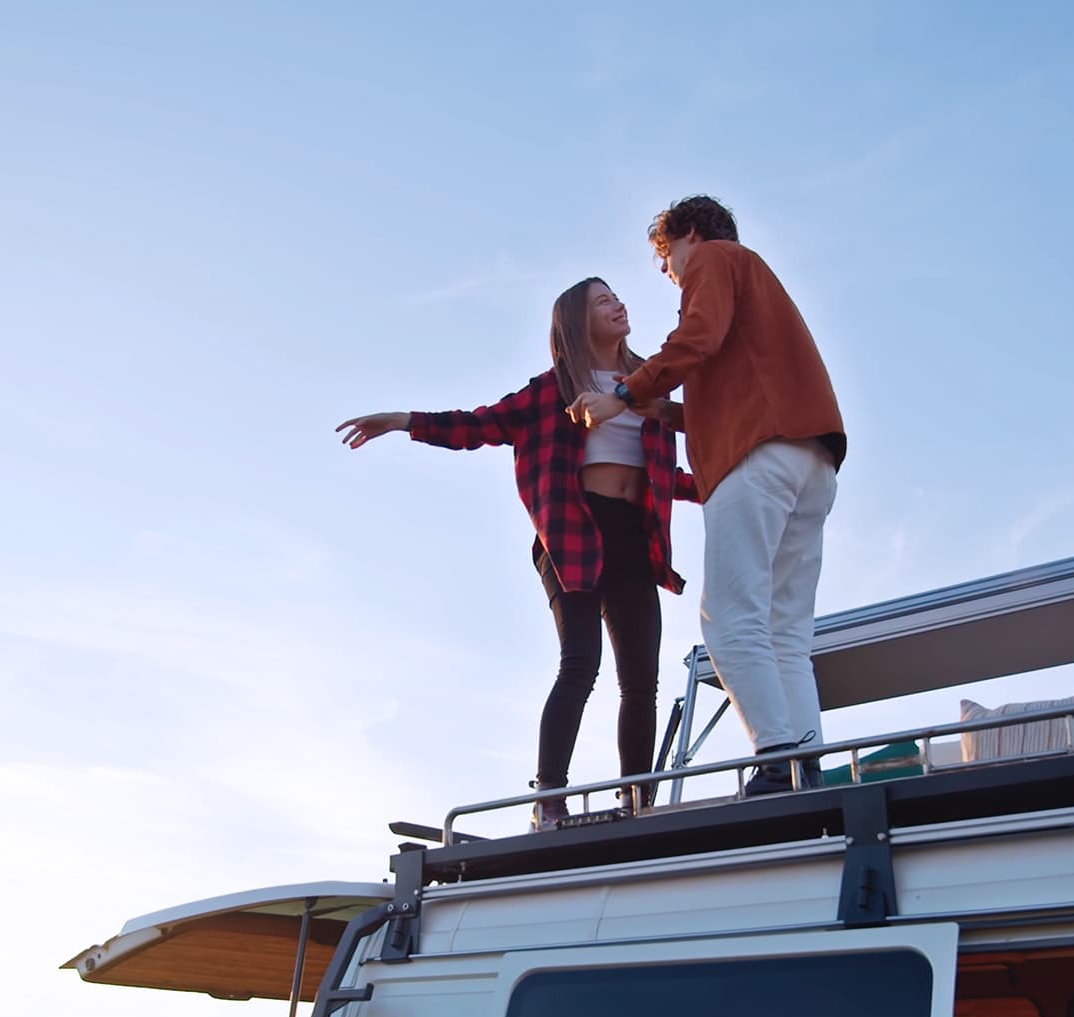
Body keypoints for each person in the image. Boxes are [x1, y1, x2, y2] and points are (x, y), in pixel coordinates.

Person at [337, 278, 698, 829]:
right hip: (574, 532)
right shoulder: (551, 390)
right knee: (581, 662)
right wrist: (406, 422)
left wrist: (722, 484)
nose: (618, 304)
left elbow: (663, 475)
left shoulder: (646, 384)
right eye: (603, 301)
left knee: (641, 678)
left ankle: (636, 796)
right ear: (577, 321)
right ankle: (549, 798)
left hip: (631, 532)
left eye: (617, 297)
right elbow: (478, 425)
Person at [569, 197, 846, 796]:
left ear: (685, 237)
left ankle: (775, 760)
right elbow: (728, 395)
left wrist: (622, 394)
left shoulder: (715, 260)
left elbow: (697, 335)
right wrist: (659, 408)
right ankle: (807, 765)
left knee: (729, 619)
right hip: (812, 459)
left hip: (756, 460)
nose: (670, 278)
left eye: (666, 263)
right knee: (786, 631)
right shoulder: (758, 285)